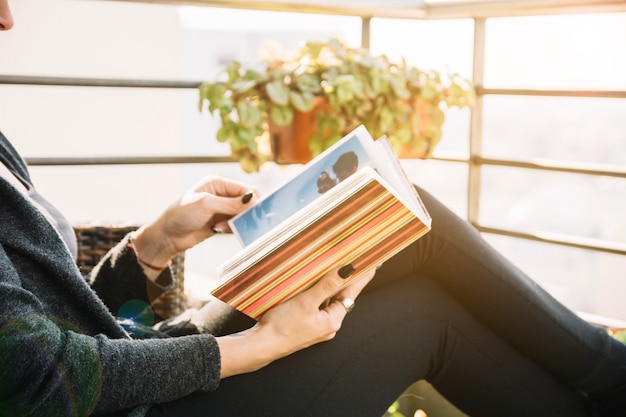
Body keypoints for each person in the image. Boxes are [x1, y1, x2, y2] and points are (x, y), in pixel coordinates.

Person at [1, 3, 625, 416]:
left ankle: (611, 376)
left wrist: (155, 245)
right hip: (128, 401)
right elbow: (36, 382)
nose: (8, 17)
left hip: (140, 363)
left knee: (407, 225)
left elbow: (70, 326)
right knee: (425, 316)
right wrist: (258, 347)